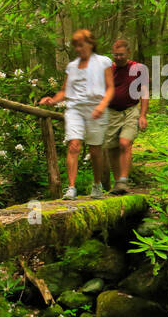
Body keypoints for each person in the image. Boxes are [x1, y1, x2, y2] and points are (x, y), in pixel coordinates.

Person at [39, 29, 113, 199]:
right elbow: (65, 91)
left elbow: (110, 88)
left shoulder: (103, 62)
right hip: (75, 109)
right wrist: (53, 100)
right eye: (76, 46)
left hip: (96, 107)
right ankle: (71, 187)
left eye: (81, 45)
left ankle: (97, 184)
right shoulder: (72, 67)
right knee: (73, 145)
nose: (79, 49)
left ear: (91, 44)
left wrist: (102, 106)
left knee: (95, 150)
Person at [90, 37, 148, 195]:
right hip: (111, 112)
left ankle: (123, 179)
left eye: (121, 54)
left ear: (129, 52)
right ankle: (118, 184)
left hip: (130, 110)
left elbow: (144, 92)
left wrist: (143, 115)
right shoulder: (108, 70)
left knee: (124, 142)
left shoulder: (138, 68)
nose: (118, 57)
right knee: (112, 148)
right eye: (115, 55)